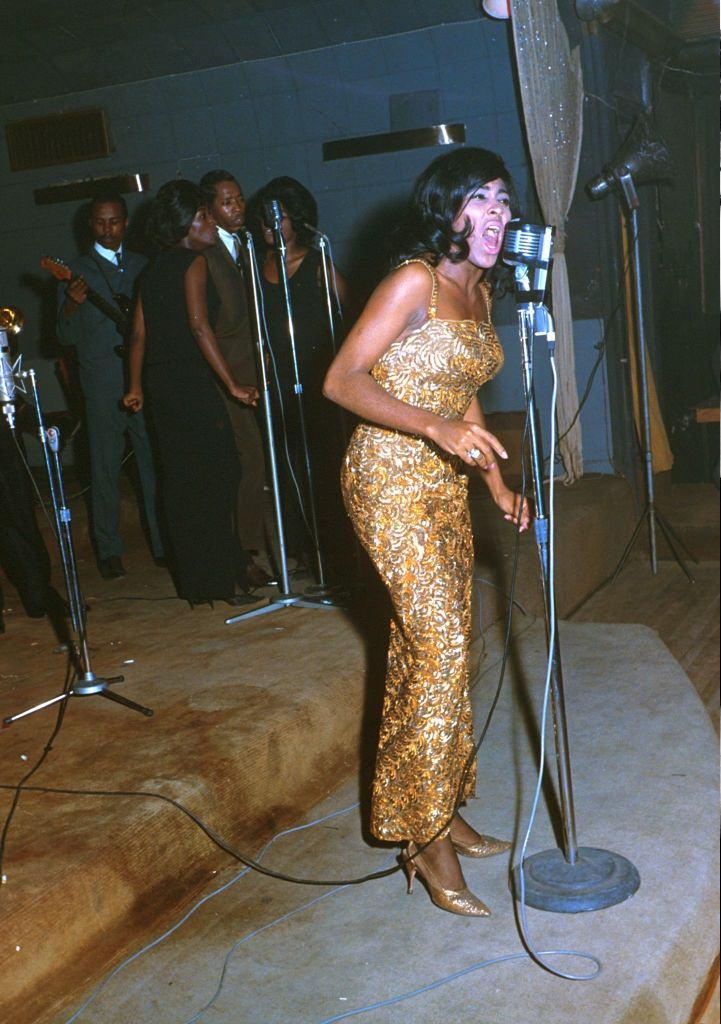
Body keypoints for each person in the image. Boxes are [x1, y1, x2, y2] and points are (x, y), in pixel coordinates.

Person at [323, 148, 531, 917]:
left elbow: (462, 393)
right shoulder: (413, 280)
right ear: (446, 211)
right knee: (436, 644)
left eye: (505, 201)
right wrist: (439, 431)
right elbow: (340, 380)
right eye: (479, 199)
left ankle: (437, 803)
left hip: (442, 480)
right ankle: (423, 835)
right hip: (384, 477)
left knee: (444, 645)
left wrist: (496, 483)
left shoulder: (476, 291)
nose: (497, 214)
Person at [122, 181, 260, 608]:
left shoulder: (150, 270)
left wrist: (135, 386)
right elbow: (201, 327)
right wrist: (232, 384)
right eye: (202, 217)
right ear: (184, 225)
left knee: (182, 484)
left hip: (163, 390)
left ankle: (200, 585)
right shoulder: (193, 262)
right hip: (192, 383)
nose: (209, 224)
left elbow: (139, 334)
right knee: (219, 476)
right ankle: (224, 578)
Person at [56, 192, 164, 579]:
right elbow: (63, 336)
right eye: (100, 222)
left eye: (115, 221)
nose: (108, 229)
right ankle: (108, 550)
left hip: (143, 382)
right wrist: (70, 304)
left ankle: (162, 544)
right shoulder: (75, 272)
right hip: (101, 387)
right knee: (103, 470)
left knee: (153, 464)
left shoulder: (143, 265)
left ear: (126, 222)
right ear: (91, 225)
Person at [251, 176, 349, 569]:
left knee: (323, 460)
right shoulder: (257, 267)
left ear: (298, 220)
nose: (272, 227)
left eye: (280, 218)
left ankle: (334, 548)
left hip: (316, 374)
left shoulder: (317, 261)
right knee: (287, 461)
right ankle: (300, 549)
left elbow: (350, 311)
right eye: (264, 221)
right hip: (279, 380)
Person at [199, 169, 273, 589]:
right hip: (231, 374)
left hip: (259, 366)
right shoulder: (206, 258)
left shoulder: (246, 245)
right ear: (208, 211)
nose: (238, 207)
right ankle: (244, 554)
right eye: (227, 202)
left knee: (266, 459)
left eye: (240, 198)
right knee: (249, 461)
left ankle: (275, 542)